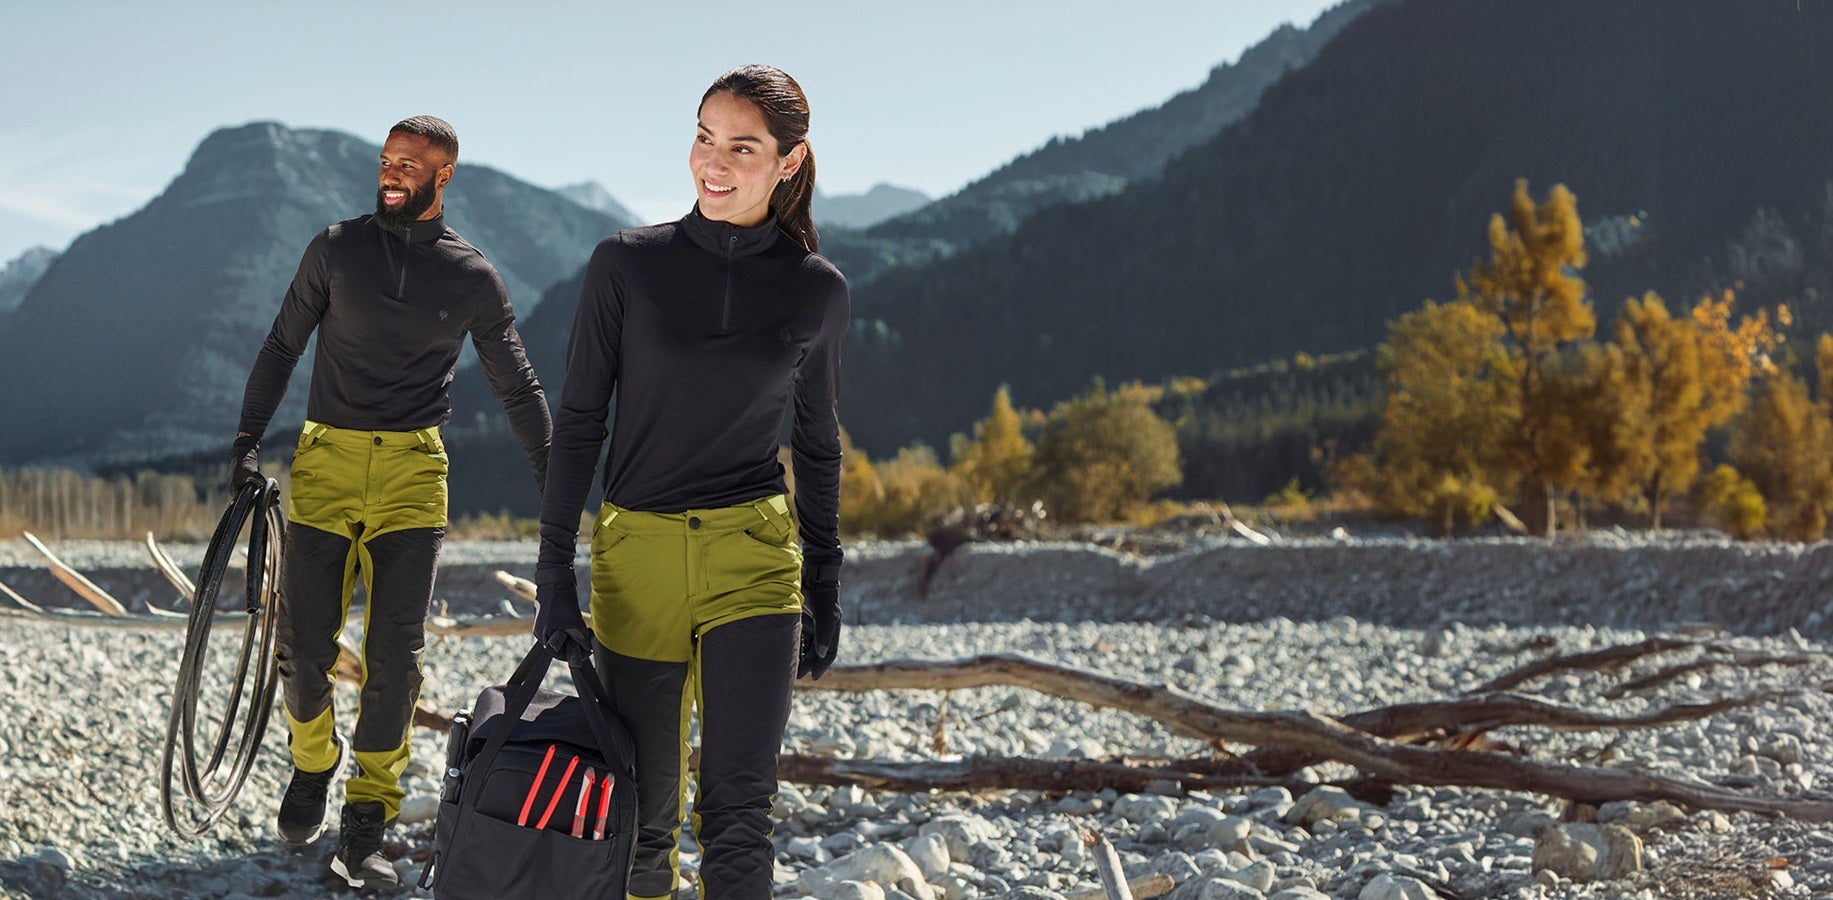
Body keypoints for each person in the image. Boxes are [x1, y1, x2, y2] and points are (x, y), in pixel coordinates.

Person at [533, 64, 848, 899]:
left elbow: (816, 445)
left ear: (788, 162)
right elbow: (579, 427)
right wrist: (552, 574)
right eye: (704, 137)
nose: (713, 161)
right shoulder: (624, 267)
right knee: (640, 820)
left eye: (741, 146)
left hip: (754, 557)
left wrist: (825, 580)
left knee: (741, 813)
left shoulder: (816, 290)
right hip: (638, 558)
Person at [229, 115, 552, 890]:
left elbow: (519, 386)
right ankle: (314, 762)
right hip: (326, 462)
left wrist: (559, 489)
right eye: (386, 160)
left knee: (394, 662)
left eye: (409, 163)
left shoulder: (471, 275)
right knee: (303, 648)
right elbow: (281, 346)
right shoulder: (335, 248)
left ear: (444, 177)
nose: (392, 172)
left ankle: (365, 821)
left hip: (413, 471)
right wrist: (246, 440)